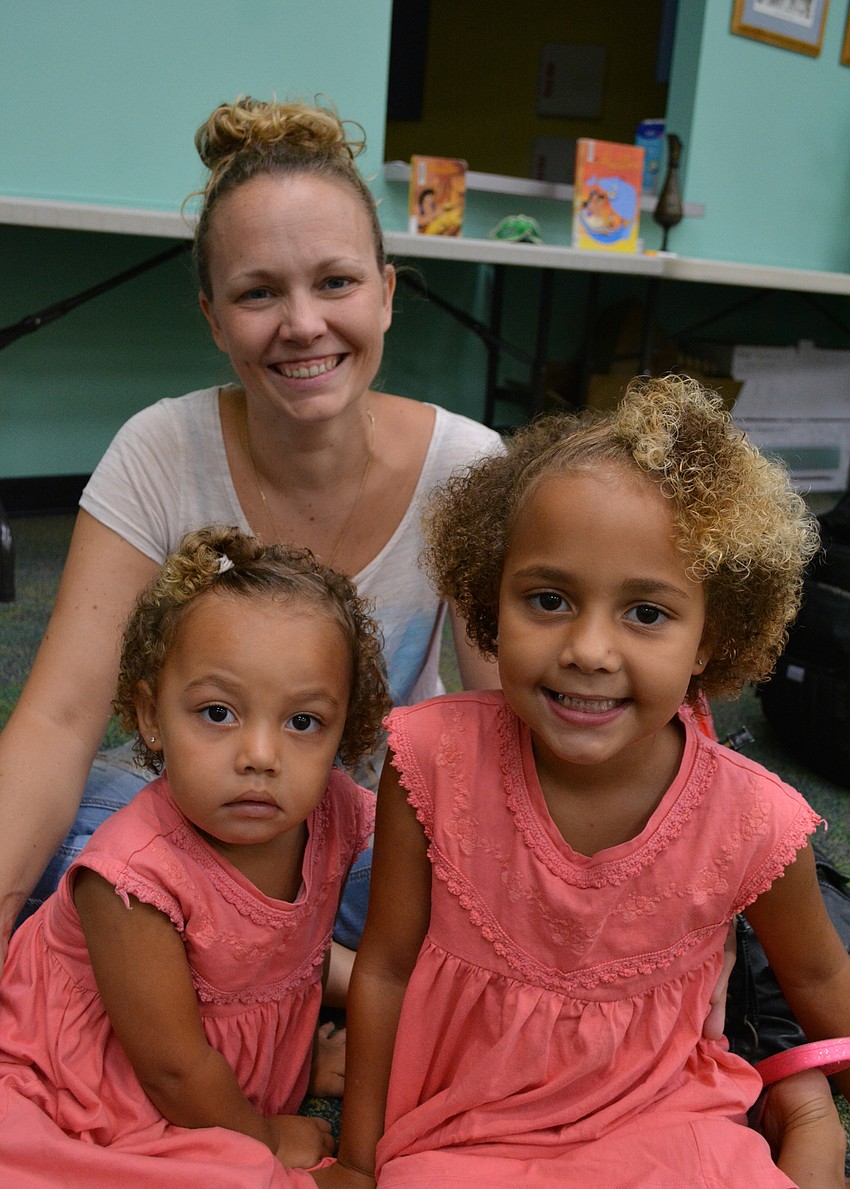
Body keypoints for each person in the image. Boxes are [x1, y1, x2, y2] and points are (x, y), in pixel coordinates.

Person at [0, 95, 501, 957]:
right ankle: (315, 988)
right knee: (82, 868)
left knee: (480, 893)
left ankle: (274, 984)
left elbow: (505, 721)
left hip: (373, 840)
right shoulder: (159, 448)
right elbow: (58, 719)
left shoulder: (468, 468)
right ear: (213, 317)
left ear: (386, 293)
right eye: (259, 292)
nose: (303, 324)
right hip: (192, 813)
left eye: (336, 282)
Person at [322, 376, 850, 1187]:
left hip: (663, 1112)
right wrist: (358, 1161)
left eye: (646, 613)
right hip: (470, 1122)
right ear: (491, 604)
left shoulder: (752, 818)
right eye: (549, 599)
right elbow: (386, 966)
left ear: (712, 636)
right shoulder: (430, 758)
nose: (590, 650)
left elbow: (818, 976)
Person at [0, 525, 390, 1187]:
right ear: (152, 717)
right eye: (217, 712)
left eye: (303, 722)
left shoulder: (335, 809)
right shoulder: (130, 879)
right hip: (110, 1080)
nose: (260, 755)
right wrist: (267, 1135)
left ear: (344, 728)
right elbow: (172, 1070)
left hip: (205, 1070)